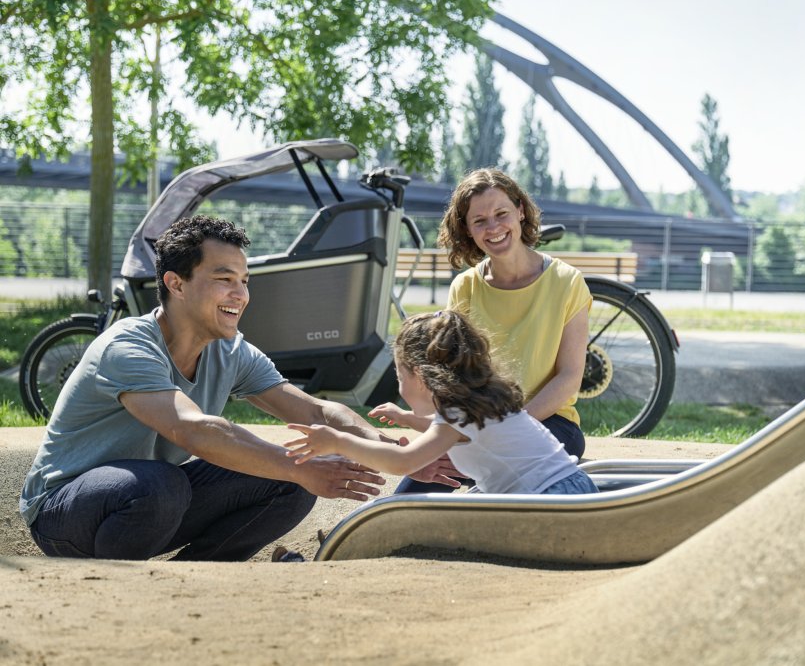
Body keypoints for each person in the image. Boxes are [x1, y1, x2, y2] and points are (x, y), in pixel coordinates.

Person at [19, 215, 459, 561]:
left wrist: (396, 453)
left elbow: (318, 413)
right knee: (164, 485)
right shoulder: (127, 346)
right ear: (176, 284)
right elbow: (194, 430)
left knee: (296, 473)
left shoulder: (230, 350)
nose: (241, 294)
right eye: (224, 279)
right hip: (66, 512)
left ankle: (190, 580)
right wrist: (293, 466)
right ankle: (118, 590)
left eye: (244, 281)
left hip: (151, 501)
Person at [371, 168, 591, 494]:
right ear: (467, 230)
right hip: (480, 423)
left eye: (501, 213)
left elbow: (569, 377)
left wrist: (506, 431)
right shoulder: (466, 287)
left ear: (520, 210)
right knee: (415, 491)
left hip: (551, 424)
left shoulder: (567, 281)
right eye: (479, 221)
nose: (493, 227)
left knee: (490, 491)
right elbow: (455, 378)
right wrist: (453, 434)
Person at [285, 310, 598, 496]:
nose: (399, 384)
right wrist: (408, 418)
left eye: (399, 374)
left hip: (551, 501)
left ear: (420, 377)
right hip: (574, 491)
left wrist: (339, 441)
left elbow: (404, 462)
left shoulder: (456, 415)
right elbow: (460, 433)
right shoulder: (480, 403)